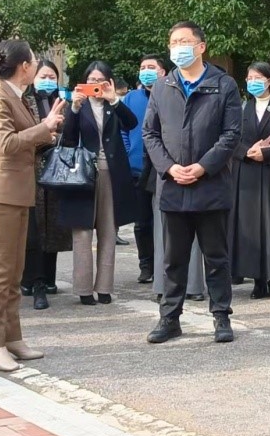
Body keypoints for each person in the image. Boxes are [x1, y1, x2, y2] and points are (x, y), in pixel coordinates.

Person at [142, 21, 242, 344]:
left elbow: (231, 135)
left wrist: (202, 167)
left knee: (216, 256)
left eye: (184, 41)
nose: (177, 48)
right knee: (173, 258)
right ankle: (170, 318)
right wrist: (169, 168)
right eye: (173, 42)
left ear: (201, 46)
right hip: (172, 186)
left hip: (210, 186)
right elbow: (150, 133)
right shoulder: (162, 86)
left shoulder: (223, 85)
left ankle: (221, 317)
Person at [0, 41, 65, 371]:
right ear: (24, 66)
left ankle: (12, 337)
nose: (35, 66)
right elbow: (6, 143)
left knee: (14, 272)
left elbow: (27, 136)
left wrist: (48, 129)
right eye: (32, 61)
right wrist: (43, 128)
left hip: (16, 193)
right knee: (1, 273)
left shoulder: (15, 96)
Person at [57, 60, 139, 305]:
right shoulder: (78, 106)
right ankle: (83, 289)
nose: (95, 85)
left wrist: (113, 99)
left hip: (112, 173)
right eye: (90, 80)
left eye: (99, 80)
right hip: (84, 174)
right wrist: (73, 108)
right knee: (82, 231)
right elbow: (68, 139)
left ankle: (104, 287)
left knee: (108, 230)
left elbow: (132, 123)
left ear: (108, 82)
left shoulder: (114, 105)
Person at [230, 63, 270, 301]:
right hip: (247, 173)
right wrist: (246, 151)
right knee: (250, 227)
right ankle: (257, 280)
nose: (252, 81)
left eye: (258, 77)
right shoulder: (242, 107)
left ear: (268, 80)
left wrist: (268, 154)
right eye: (249, 76)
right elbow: (230, 137)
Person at [21, 59, 67, 308]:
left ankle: (49, 278)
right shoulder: (25, 102)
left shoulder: (64, 102)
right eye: (43, 76)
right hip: (32, 171)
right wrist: (45, 134)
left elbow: (71, 134)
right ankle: (33, 280)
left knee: (54, 226)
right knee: (33, 229)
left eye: (52, 76)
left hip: (57, 171)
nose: (47, 80)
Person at [124, 54, 166, 284]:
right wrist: (130, 150)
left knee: (165, 221)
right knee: (142, 223)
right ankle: (146, 265)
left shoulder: (169, 95)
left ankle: (164, 265)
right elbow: (122, 130)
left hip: (163, 170)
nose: (146, 71)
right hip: (138, 169)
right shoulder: (131, 98)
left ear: (163, 72)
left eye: (151, 67)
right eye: (143, 67)